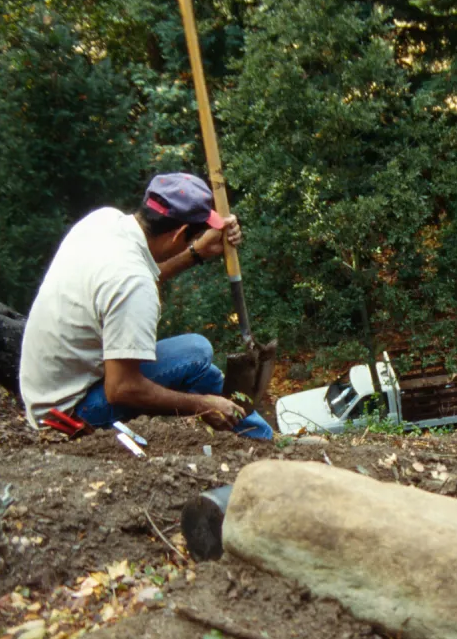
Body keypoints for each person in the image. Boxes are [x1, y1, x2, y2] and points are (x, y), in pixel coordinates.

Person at [19, 172, 273, 440]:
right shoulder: (133, 281)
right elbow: (121, 388)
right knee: (196, 357)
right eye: (190, 239)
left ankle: (257, 433)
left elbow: (131, 282)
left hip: (46, 400)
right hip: (67, 417)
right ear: (179, 234)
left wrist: (196, 252)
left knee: (197, 352)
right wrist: (204, 405)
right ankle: (263, 439)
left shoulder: (102, 222)